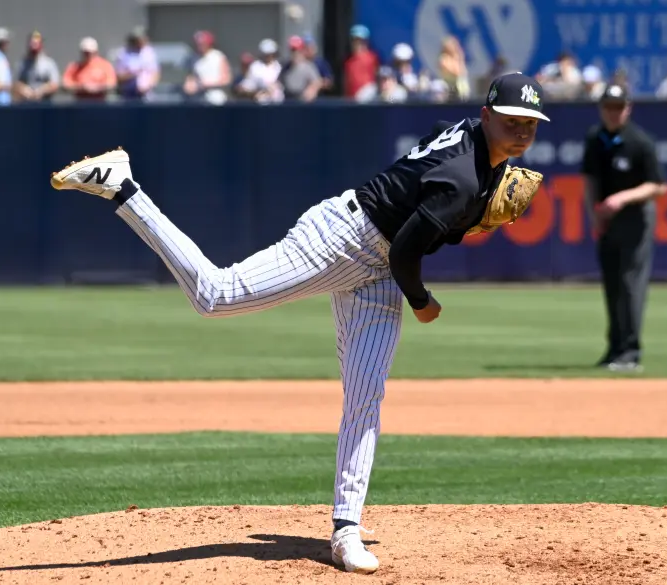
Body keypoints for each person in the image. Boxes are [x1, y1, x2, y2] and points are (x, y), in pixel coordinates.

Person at [49, 71, 548, 575]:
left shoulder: (468, 140)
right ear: (487, 115)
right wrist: (422, 301)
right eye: (511, 120)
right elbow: (404, 253)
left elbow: (436, 143)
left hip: (374, 269)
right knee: (215, 295)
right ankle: (123, 187)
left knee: (365, 394)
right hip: (342, 240)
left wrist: (465, 204)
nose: (521, 130)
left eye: (530, 123)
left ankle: (346, 530)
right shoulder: (464, 181)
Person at [580, 84, 667, 371]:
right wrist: (593, 215)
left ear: (628, 108)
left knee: (631, 283)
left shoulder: (639, 142)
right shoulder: (596, 139)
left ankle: (630, 352)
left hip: (635, 218)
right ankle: (614, 349)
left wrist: (622, 198)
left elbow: (659, 186)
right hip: (607, 220)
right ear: (601, 108)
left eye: (618, 107)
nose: (613, 112)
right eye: (608, 106)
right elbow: (590, 180)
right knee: (612, 284)